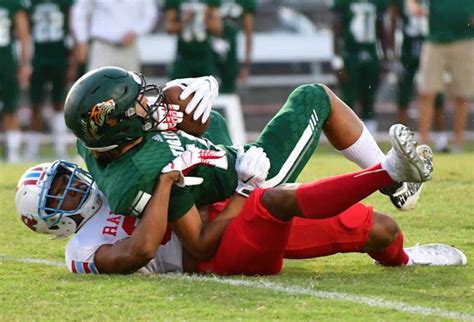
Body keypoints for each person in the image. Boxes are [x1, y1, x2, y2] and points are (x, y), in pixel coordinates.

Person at [63, 67, 429, 260]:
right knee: (313, 96)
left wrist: (194, 87)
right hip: (247, 177)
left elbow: (163, 119)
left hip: (213, 161)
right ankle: (394, 181)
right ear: (120, 123)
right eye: (138, 104)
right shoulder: (149, 170)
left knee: (189, 107)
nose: (150, 101)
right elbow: (200, 244)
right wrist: (244, 187)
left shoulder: (96, 142)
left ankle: (391, 176)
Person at [15, 134, 467, 275]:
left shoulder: (107, 176)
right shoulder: (80, 251)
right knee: (275, 202)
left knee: (383, 230)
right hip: (210, 256)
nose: (77, 186)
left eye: (68, 178)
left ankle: (405, 260)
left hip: (217, 218)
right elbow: (141, 249)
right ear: (53, 223)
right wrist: (168, 180)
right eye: (64, 194)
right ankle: (389, 171)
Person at [412, 0, 474, 152]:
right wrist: (413, 7)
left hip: (464, 40)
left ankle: (457, 144)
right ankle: (423, 144)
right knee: (427, 92)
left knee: (462, 95)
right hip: (435, 40)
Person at [387, 0, 447, 152]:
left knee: (436, 94)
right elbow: (393, 23)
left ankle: (441, 140)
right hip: (407, 51)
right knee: (403, 96)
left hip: (431, 47)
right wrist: (392, 54)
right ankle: (401, 142)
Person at [24, 0, 74, 161]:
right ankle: (32, 150)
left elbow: (72, 27)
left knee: (59, 103)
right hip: (37, 57)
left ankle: (59, 148)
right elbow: (24, 30)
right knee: (35, 104)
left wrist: (72, 59)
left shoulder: (65, 3)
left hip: (59, 56)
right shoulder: (29, 3)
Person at [331, 0, 389, 135]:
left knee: (369, 98)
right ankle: (346, 136)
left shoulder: (377, 3)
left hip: (371, 54)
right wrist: (337, 61)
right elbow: (336, 28)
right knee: (348, 99)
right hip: (350, 55)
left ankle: (370, 137)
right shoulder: (343, 3)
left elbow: (381, 28)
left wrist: (386, 58)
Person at [71, 0, 157, 72]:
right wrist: (82, 40)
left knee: (131, 87)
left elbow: (150, 15)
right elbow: (80, 12)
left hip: (129, 48)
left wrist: (136, 31)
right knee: (97, 87)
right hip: (102, 47)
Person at [0, 0, 31, 162]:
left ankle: (13, 155)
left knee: (10, 108)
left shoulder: (11, 3)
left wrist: (25, 64)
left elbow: (24, 34)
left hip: (6, 60)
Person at [165, 0, 222, 79]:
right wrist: (185, 20)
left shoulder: (210, 3)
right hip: (183, 55)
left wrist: (205, 18)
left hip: (204, 55)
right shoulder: (176, 2)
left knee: (207, 87)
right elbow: (169, 28)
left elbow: (217, 29)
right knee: (176, 87)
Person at [211, 0, 256, 93]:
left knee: (228, 90)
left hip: (230, 53)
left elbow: (248, 33)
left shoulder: (245, 3)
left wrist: (246, 64)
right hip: (206, 49)